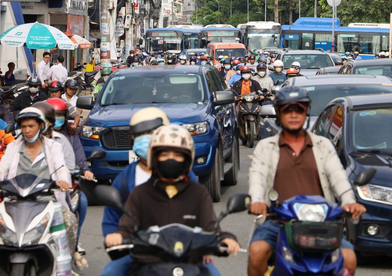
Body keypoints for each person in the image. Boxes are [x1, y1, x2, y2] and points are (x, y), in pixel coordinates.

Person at [247, 87, 366, 276]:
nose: (294, 115)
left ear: (306, 112)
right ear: (279, 112)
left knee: (349, 257)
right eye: (288, 110)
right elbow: (257, 177)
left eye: (299, 110)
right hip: (278, 221)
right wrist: (257, 201)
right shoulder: (265, 147)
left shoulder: (323, 145)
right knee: (257, 252)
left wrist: (350, 202)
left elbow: (338, 177)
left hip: (321, 224)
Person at [104, 125, 240, 276]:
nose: (171, 159)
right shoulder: (140, 193)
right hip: (147, 263)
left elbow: (211, 228)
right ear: (154, 158)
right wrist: (118, 236)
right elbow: (126, 225)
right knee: (110, 272)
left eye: (177, 155)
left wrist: (226, 239)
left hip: (190, 263)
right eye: (164, 154)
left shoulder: (198, 193)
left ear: (187, 159)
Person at [100, 108, 202, 276]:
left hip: (182, 252)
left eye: (152, 132)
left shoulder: (186, 175)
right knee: (110, 272)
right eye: (141, 134)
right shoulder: (126, 178)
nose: (147, 139)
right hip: (139, 253)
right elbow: (111, 218)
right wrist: (115, 237)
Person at [0, 107, 85, 270]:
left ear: (41, 126)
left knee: (70, 221)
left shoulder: (53, 146)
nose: (27, 130)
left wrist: (63, 181)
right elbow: (1, 168)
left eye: (31, 126)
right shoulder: (13, 147)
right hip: (14, 201)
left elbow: (61, 168)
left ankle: (68, 263)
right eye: (24, 127)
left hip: (48, 201)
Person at [47, 98, 92, 252]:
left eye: (60, 116)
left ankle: (74, 239)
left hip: (66, 183)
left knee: (82, 202)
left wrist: (85, 169)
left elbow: (79, 156)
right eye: (53, 116)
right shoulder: (38, 137)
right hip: (42, 182)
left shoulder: (71, 135)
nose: (56, 120)